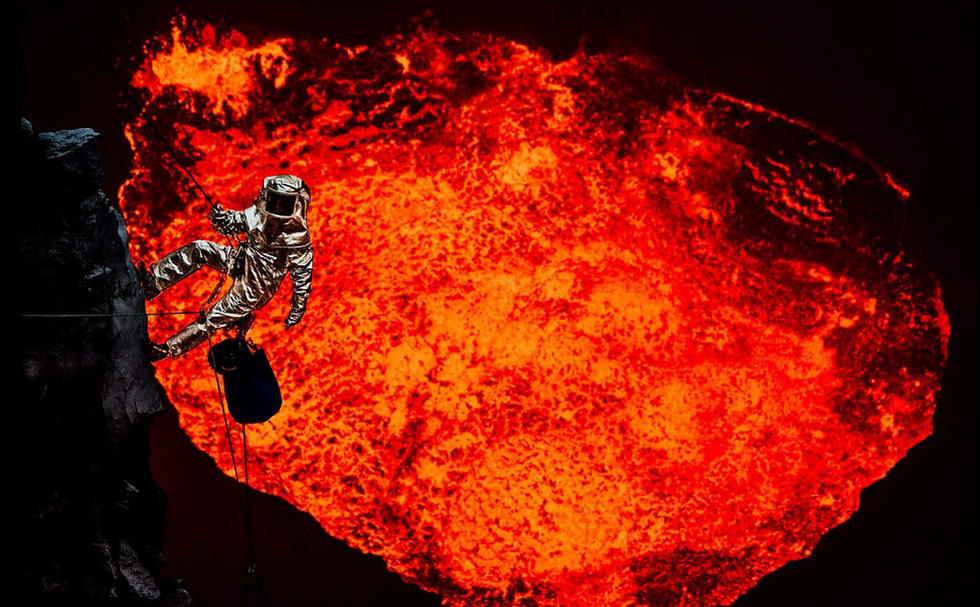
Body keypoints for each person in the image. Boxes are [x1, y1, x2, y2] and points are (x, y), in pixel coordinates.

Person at [137, 174, 314, 361]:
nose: (278, 207)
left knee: (214, 317)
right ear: (267, 196)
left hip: (256, 287)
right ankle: (155, 283)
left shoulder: (298, 242)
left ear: (296, 204)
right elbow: (237, 221)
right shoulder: (261, 211)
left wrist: (297, 311)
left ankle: (167, 349)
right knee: (200, 249)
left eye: (284, 203)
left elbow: (302, 281)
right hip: (241, 259)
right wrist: (222, 218)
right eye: (275, 200)